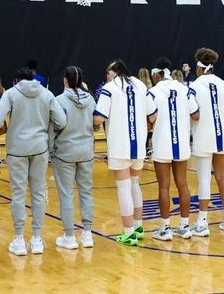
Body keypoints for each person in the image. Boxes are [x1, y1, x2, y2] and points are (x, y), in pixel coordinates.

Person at [0, 64, 65, 256]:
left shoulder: (10, 94)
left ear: (16, 80)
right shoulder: (46, 94)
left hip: (17, 149)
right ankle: (37, 239)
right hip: (40, 148)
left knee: (18, 194)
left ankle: (19, 239)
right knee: (38, 193)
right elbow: (61, 121)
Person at [94, 59, 151, 246]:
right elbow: (153, 115)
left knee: (124, 188)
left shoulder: (110, 88)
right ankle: (138, 227)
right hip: (139, 145)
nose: (106, 76)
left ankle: (128, 233)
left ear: (114, 72)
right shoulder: (141, 85)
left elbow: (99, 118)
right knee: (135, 184)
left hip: (120, 146)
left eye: (108, 73)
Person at [146, 68, 198, 241]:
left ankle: (165, 228)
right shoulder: (185, 89)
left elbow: (151, 119)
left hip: (162, 143)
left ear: (157, 75)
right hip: (181, 143)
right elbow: (196, 114)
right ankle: (184, 226)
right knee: (183, 185)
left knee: (163, 187)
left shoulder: (153, 92)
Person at [188, 48, 224, 235]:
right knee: (222, 176)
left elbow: (195, 114)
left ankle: (202, 222)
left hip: (204, 135)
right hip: (222, 133)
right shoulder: (222, 83)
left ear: (199, 67)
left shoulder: (194, 85)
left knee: (204, 178)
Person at [50, 66, 95, 250]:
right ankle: (88, 234)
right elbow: (96, 125)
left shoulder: (58, 100)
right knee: (86, 192)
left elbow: (54, 127)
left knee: (66, 195)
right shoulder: (91, 99)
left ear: (65, 80)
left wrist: (50, 150)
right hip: (86, 152)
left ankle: (69, 236)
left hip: (65, 153)